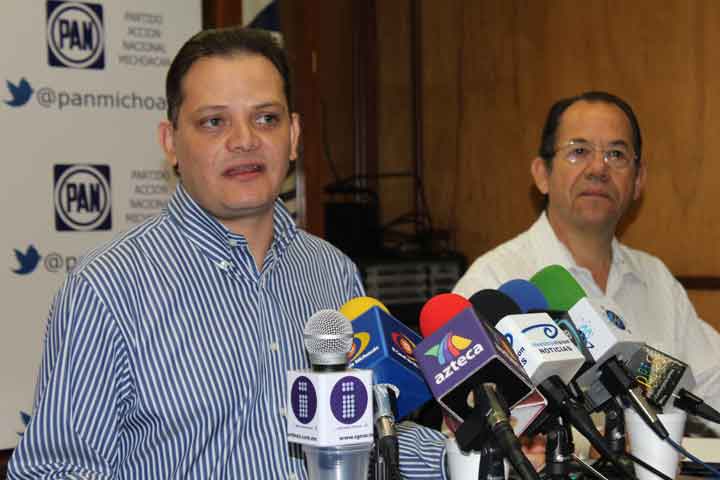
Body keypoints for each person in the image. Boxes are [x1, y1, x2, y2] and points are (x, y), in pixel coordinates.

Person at [9, 27, 446, 479]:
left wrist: (457, 456)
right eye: (214, 122)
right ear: (170, 142)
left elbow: (367, 434)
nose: (244, 140)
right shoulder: (108, 287)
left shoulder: (332, 272)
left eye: (266, 119)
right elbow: (55, 470)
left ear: (294, 135)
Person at [454, 90, 720, 420]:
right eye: (579, 151)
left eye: (616, 154)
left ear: (638, 180)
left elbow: (712, 382)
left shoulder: (656, 279)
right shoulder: (493, 282)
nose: (598, 168)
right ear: (542, 174)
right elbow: (462, 420)